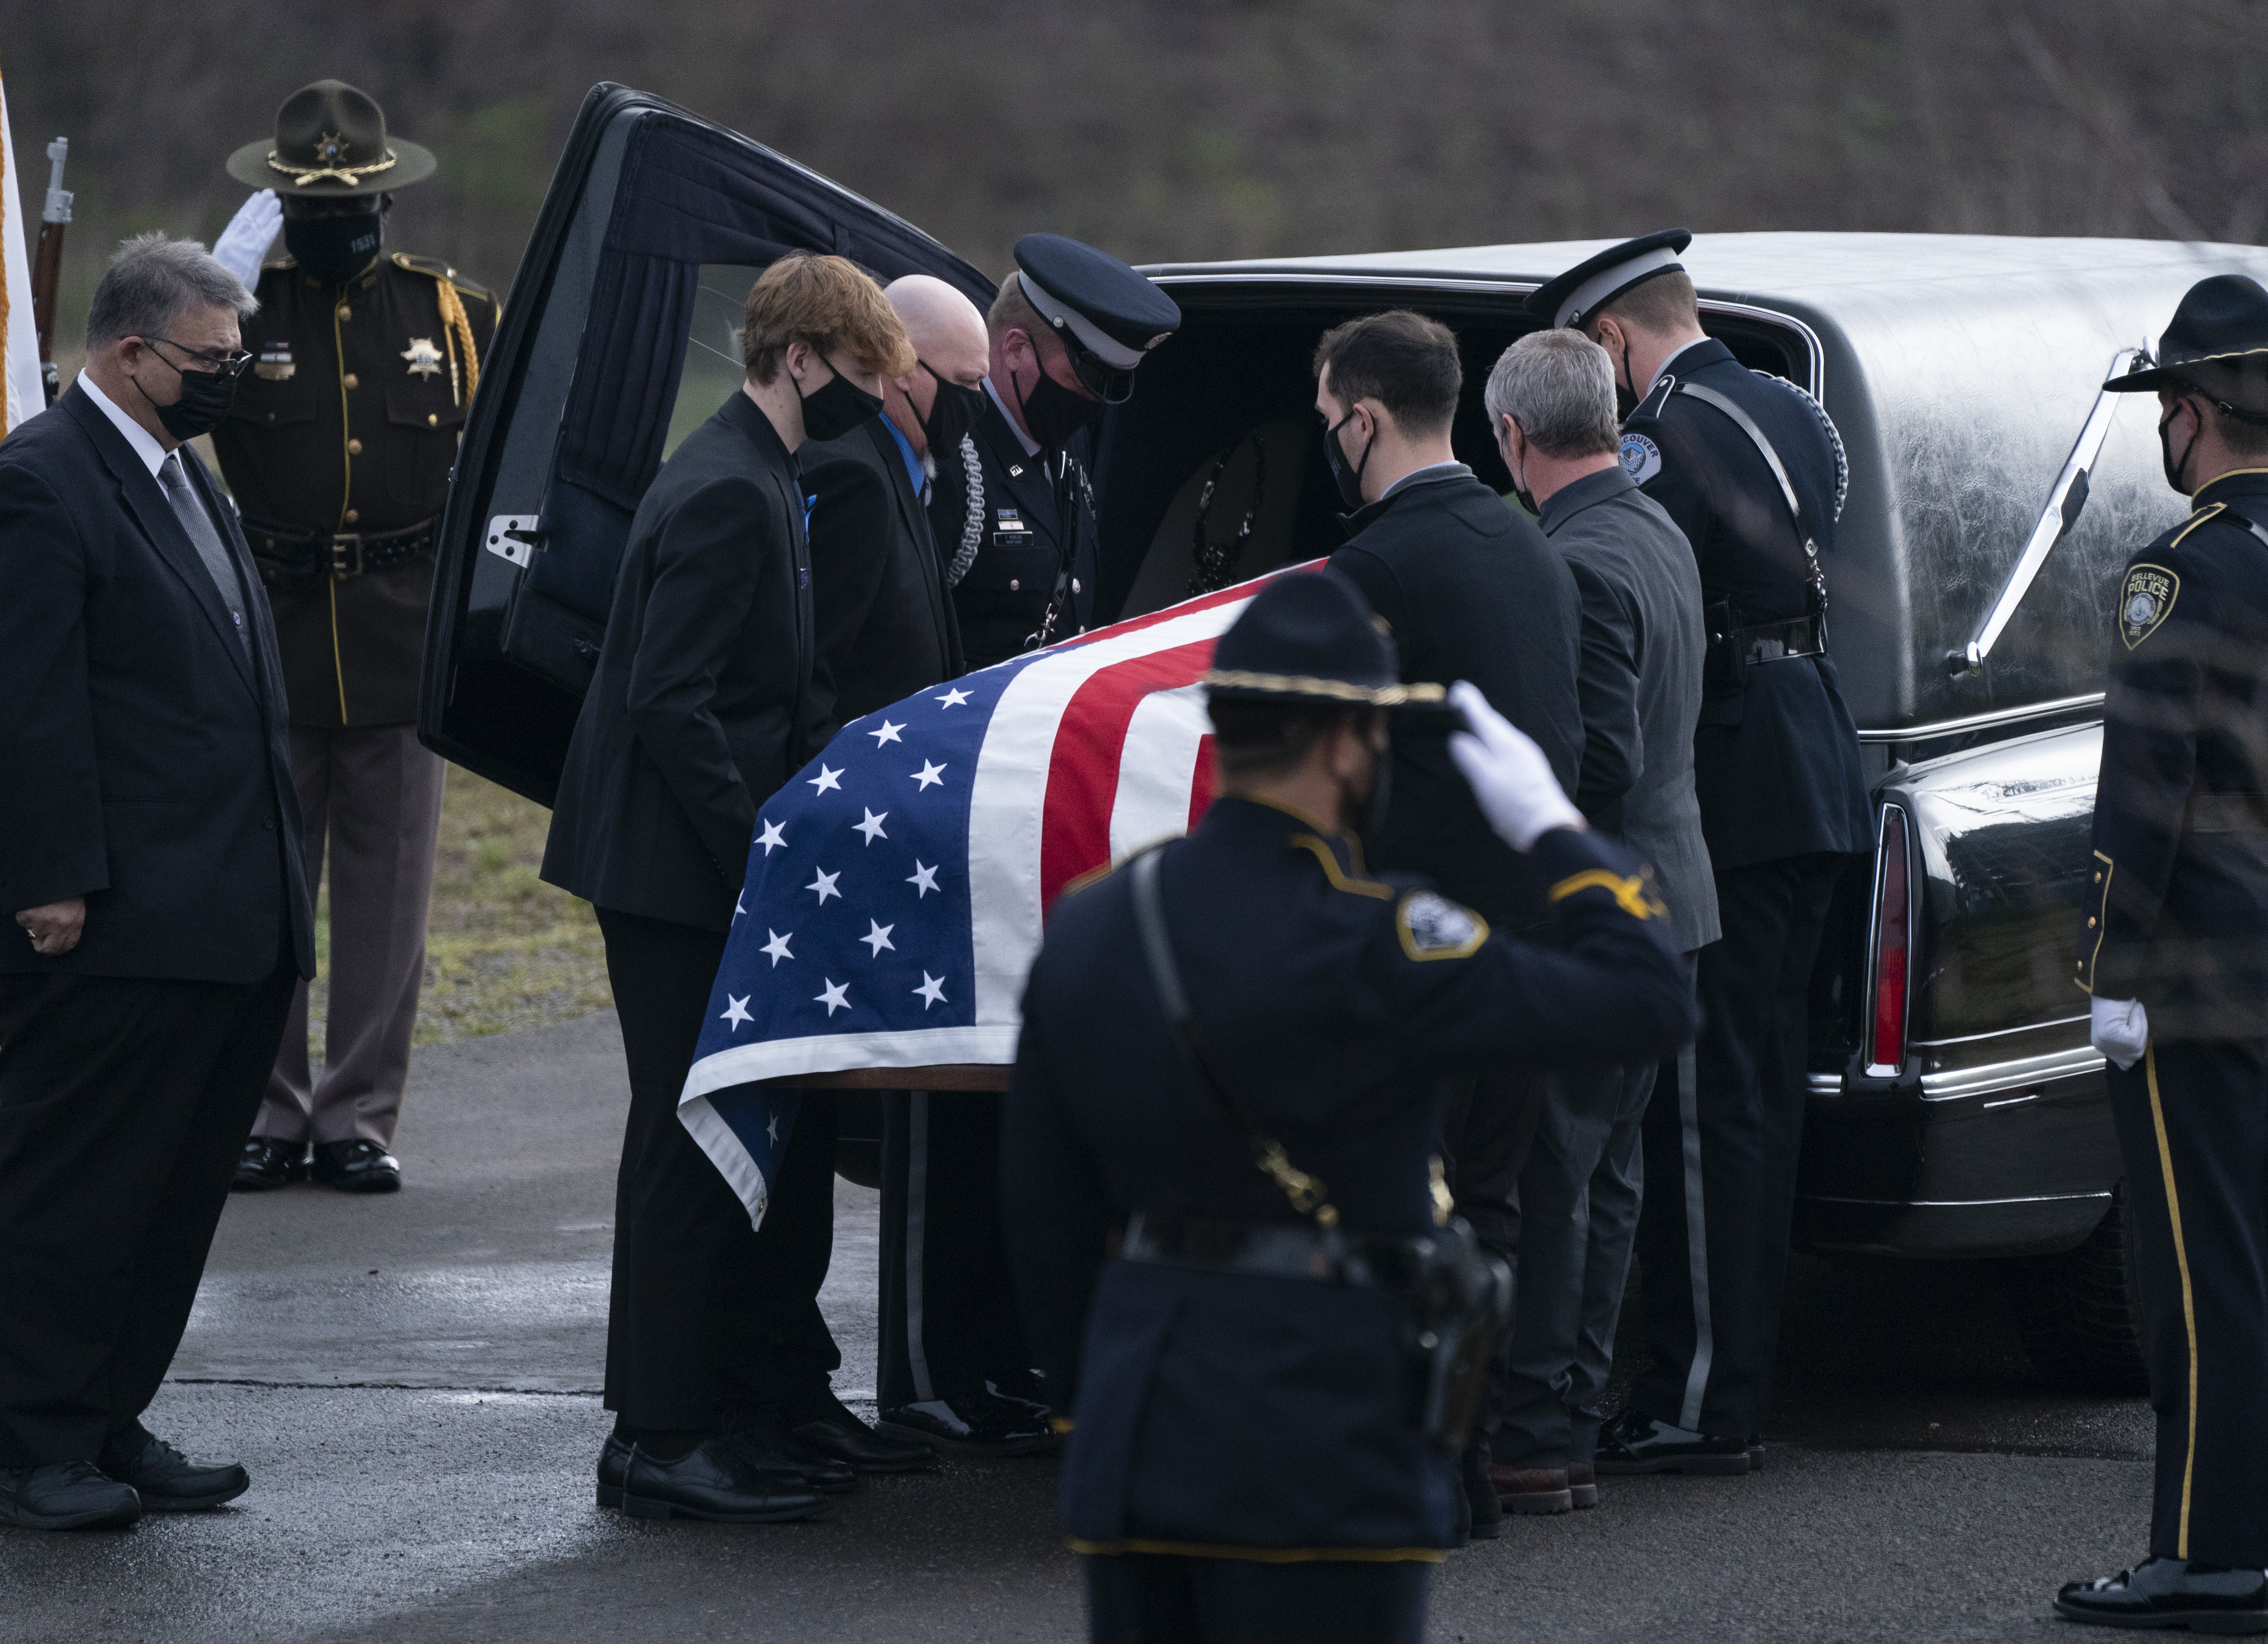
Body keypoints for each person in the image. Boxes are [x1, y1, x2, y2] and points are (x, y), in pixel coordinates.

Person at [1002, 568, 1696, 1644]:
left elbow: (1043, 1209)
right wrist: (1554, 830)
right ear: (1340, 744)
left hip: (1138, 1440)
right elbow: (1646, 998)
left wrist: (1087, 1406)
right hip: (1323, 1443)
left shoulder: (1093, 926)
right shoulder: (1385, 939)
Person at [541, 253, 929, 1525]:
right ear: (801, 360)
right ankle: (654, 1435)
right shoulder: (724, 489)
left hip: (692, 860)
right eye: (865, 375)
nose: (876, 399)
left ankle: (719, 1404)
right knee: (678, 1144)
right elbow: (672, 700)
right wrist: (763, 847)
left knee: (715, 1146)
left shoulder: (760, 475)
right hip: (669, 872)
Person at [1528, 232, 1871, 1476]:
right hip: (1809, 747)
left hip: (1733, 767)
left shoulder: (1666, 435)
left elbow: (1629, 572)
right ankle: (1730, 1384)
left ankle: (1696, 1397)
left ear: (1611, 341)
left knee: (1702, 1099)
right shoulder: (1789, 402)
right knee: (1756, 1094)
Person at [0, 235, 317, 1530]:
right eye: (210, 361)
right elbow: (31, 708)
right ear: (130, 352)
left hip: (226, 910)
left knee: (171, 1196)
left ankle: (108, 1412)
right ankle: (32, 1441)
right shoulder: (42, 482)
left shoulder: (189, 478)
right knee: (79, 1192)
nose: (229, 381)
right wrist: (55, 879)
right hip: (116, 917)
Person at [1316, 308, 1586, 1535]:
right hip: (1524, 944)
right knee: (1487, 1204)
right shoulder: (1525, 544)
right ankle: (1467, 1467)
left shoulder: (1375, 566)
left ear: (1362, 418)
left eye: (1329, 418)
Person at [205, 79, 499, 1196]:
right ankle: (270, 1112)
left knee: (388, 898)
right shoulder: (236, 309)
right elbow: (164, 420)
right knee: (271, 892)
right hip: (267, 633)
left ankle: (359, 1117)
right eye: (314, 209)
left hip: (401, 633)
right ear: (285, 206)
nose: (336, 225)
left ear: (385, 200)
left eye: (355, 206)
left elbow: (502, 463)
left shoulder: (453, 315)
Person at [2056, 275, 2268, 1633]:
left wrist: (2111, 965)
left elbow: (2148, 790)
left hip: (2202, 973)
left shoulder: (2181, 570)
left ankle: (2209, 1551)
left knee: (2198, 1268)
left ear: (2187, 415)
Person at [1478, 330, 1717, 1516]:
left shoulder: (1564, 563)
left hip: (1601, 912)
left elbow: (1601, 762)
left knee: (1549, 1178)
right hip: (1675, 899)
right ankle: (1565, 1425)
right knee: (1607, 1179)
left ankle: (1530, 1433)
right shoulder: (1655, 529)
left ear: (1511, 436)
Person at [926, 233, 1181, 669]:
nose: (1093, 400)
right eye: (1082, 376)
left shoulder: (1067, 441)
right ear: (1015, 350)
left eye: (1109, 384)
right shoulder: (953, 453)